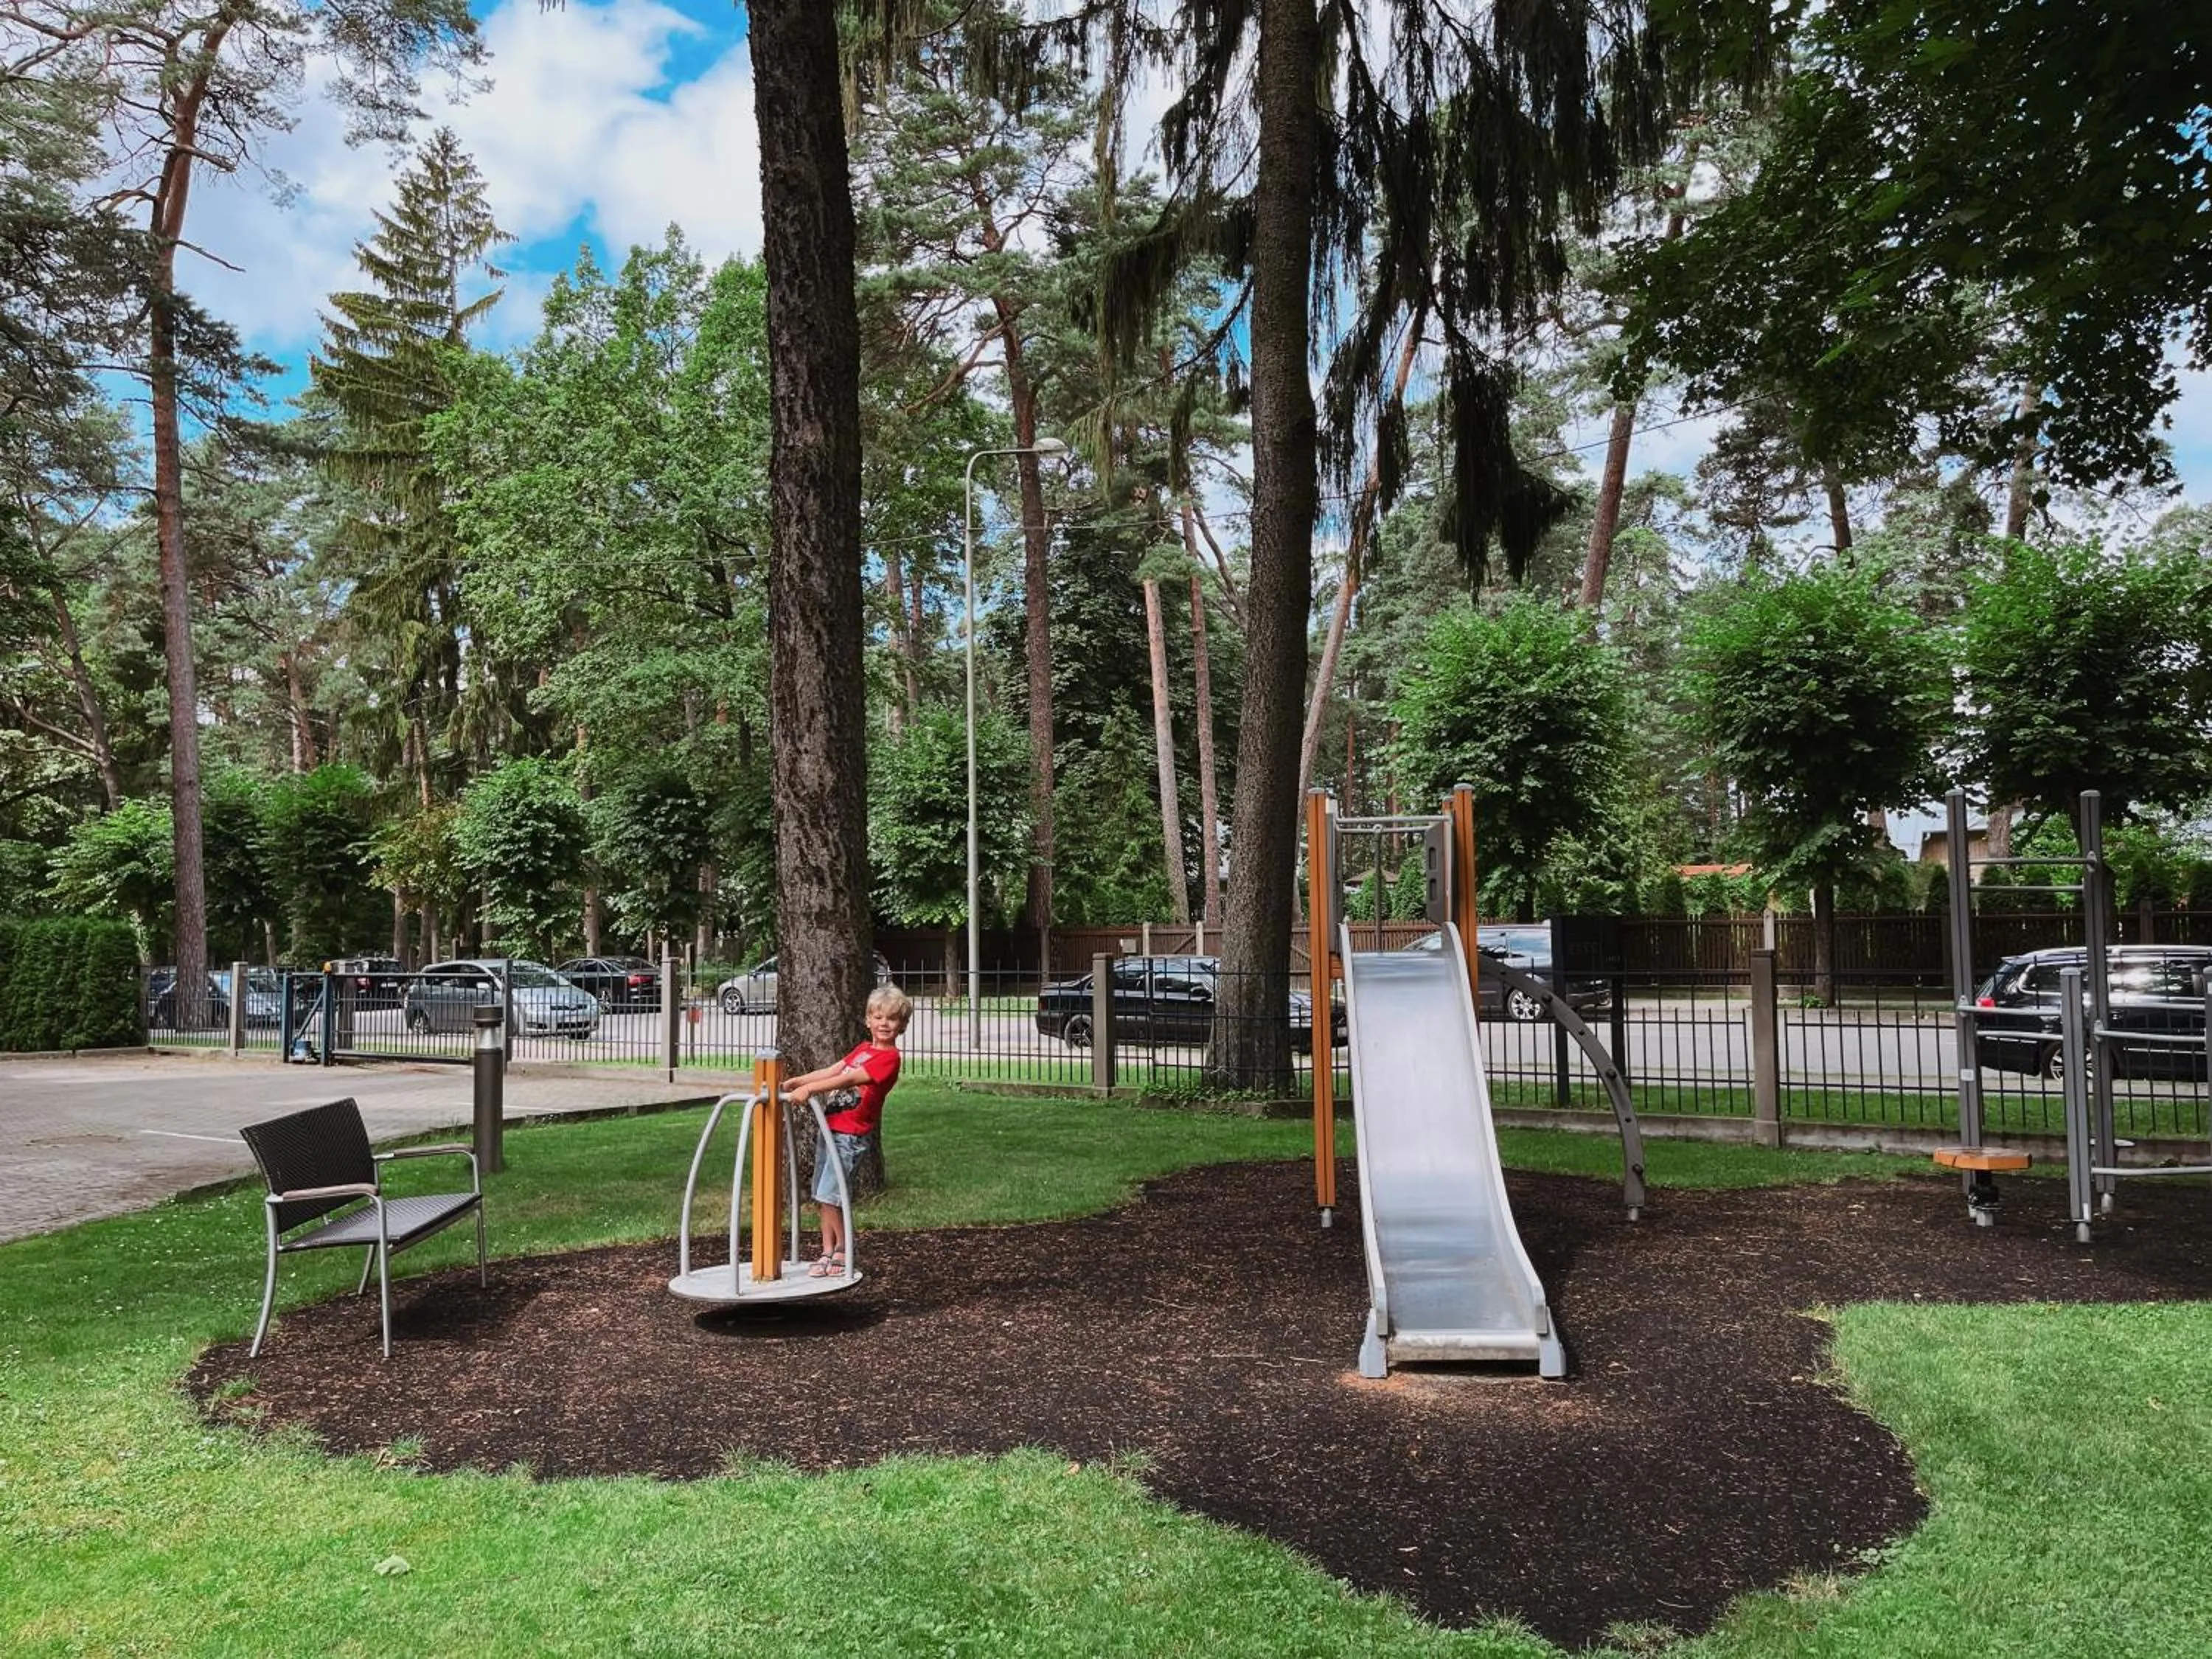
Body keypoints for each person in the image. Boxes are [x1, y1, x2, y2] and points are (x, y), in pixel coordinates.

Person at [782, 983, 911, 1277]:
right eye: (878, 1017)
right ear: (868, 1020)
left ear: (902, 1025)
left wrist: (811, 1091)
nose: (884, 1024)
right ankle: (827, 1251)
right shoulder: (863, 1049)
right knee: (821, 1194)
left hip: (850, 1135)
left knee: (830, 1195)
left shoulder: (889, 1060)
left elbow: (849, 1080)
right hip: (830, 1129)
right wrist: (798, 1082)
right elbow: (833, 1071)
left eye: (891, 1019)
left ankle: (844, 1248)